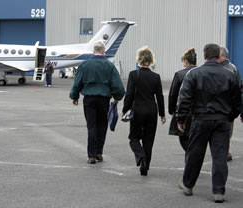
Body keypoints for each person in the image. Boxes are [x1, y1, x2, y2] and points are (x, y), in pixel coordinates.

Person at [176, 43, 241, 203]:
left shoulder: (194, 74)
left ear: (205, 56)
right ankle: (218, 191)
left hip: (201, 119)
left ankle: (188, 184)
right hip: (222, 120)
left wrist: (181, 117)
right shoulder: (230, 74)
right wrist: (230, 116)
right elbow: (237, 99)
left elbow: (184, 97)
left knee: (195, 153)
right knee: (220, 155)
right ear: (219, 56)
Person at [69, 40, 125, 164]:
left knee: (91, 126)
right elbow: (118, 86)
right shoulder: (109, 66)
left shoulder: (84, 64)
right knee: (102, 125)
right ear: (103, 51)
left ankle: (91, 155)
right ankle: (99, 152)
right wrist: (117, 98)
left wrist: (75, 96)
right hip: (104, 99)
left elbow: (77, 82)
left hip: (89, 99)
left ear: (93, 50)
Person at [122, 46, 166, 176]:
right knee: (148, 139)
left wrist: (125, 109)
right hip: (152, 111)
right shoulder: (156, 77)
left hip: (137, 110)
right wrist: (162, 114)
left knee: (133, 138)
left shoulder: (133, 75)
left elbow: (129, 94)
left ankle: (141, 157)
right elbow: (159, 97)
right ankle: (145, 166)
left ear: (138, 60)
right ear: (151, 60)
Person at [168, 48, 197, 152]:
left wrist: (172, 111)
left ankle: (190, 162)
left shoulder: (179, 74)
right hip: (198, 111)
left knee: (184, 138)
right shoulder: (201, 73)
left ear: (186, 61)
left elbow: (173, 95)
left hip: (184, 111)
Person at [218, 46, 242, 161]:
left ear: (223, 56)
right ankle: (224, 150)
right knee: (227, 130)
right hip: (229, 107)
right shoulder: (234, 68)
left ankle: (223, 151)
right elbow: (239, 90)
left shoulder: (228, 69)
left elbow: (238, 90)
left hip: (222, 106)